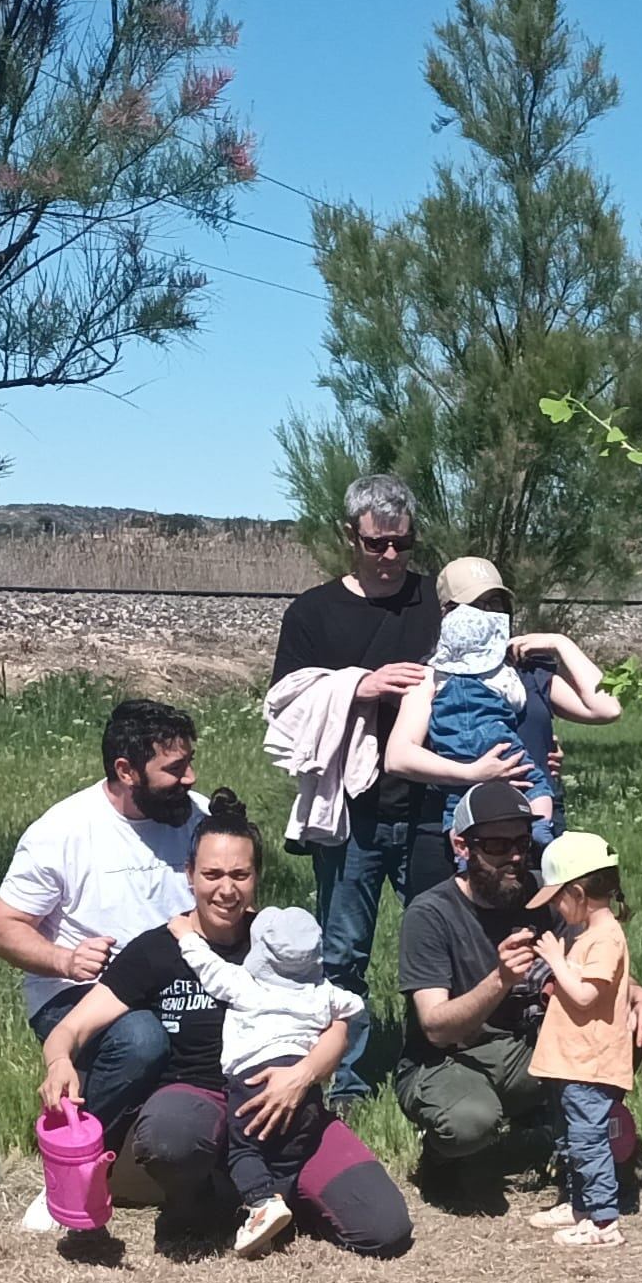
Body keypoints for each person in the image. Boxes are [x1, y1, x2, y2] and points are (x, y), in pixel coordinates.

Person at [37, 791, 412, 1258]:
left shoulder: (282, 942)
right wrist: (58, 1063)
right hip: (201, 1098)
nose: (226, 889)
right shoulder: (159, 949)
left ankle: (270, 1194)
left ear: (257, 877)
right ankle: (206, 1198)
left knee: (384, 1228)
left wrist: (305, 1075)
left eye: (240, 875)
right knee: (169, 1137)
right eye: (212, 875)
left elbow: (336, 1020)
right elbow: (70, 1029)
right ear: (189, 875)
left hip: (291, 1104)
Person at [0, 698, 206, 1231]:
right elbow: (0, 929)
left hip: (178, 984)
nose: (190, 777)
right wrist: (64, 956)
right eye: (174, 768)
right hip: (78, 995)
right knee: (142, 1039)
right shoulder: (64, 830)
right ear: (126, 771)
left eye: (190, 762)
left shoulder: (196, 817)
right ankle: (70, 1167)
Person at [268, 473, 443, 1114]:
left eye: (402, 544)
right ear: (352, 538)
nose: (391, 558)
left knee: (440, 940)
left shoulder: (436, 604)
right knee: (342, 950)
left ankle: (437, 1060)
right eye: (377, 546)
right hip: (352, 810)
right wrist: (359, 687)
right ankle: (347, 1075)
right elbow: (285, 705)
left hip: (430, 806)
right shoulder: (313, 613)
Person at [395, 780, 642, 1180]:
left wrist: (641, 996)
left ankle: (573, 1133)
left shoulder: (545, 895)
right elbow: (435, 1027)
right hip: (453, 1058)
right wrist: (501, 979)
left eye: (523, 844)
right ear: (461, 847)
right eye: (496, 846)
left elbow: (593, 971)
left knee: (627, 1025)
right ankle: (447, 1159)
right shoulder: (431, 913)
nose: (514, 857)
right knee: (470, 1125)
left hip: (530, 1049)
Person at [390, 556, 621, 900]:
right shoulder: (433, 676)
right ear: (448, 612)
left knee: (538, 942)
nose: (490, 612)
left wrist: (561, 643)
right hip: (473, 837)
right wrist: (473, 772)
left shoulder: (527, 671)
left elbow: (606, 708)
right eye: (477, 604)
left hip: (536, 826)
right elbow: (398, 755)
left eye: (496, 603)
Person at [168, 906, 364, 1257]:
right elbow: (355, 1006)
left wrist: (185, 934)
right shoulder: (324, 992)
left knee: (244, 1150)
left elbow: (208, 967)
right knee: (288, 1156)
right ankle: (280, 1208)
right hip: (304, 1091)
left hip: (252, 1083)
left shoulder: (247, 984)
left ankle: (261, 1204)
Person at [522, 832, 633, 1249]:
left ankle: (604, 1221)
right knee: (572, 1137)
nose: (553, 907)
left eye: (556, 898)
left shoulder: (605, 938)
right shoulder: (587, 935)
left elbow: (587, 994)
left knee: (589, 1140)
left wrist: (555, 960)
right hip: (572, 1061)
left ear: (578, 892)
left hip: (591, 1063)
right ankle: (579, 1205)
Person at [426, 602, 560, 849]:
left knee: (455, 800)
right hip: (493, 737)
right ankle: (540, 824)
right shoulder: (498, 675)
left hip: (449, 744)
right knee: (533, 780)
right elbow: (518, 701)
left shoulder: (438, 677)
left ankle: (461, 850)